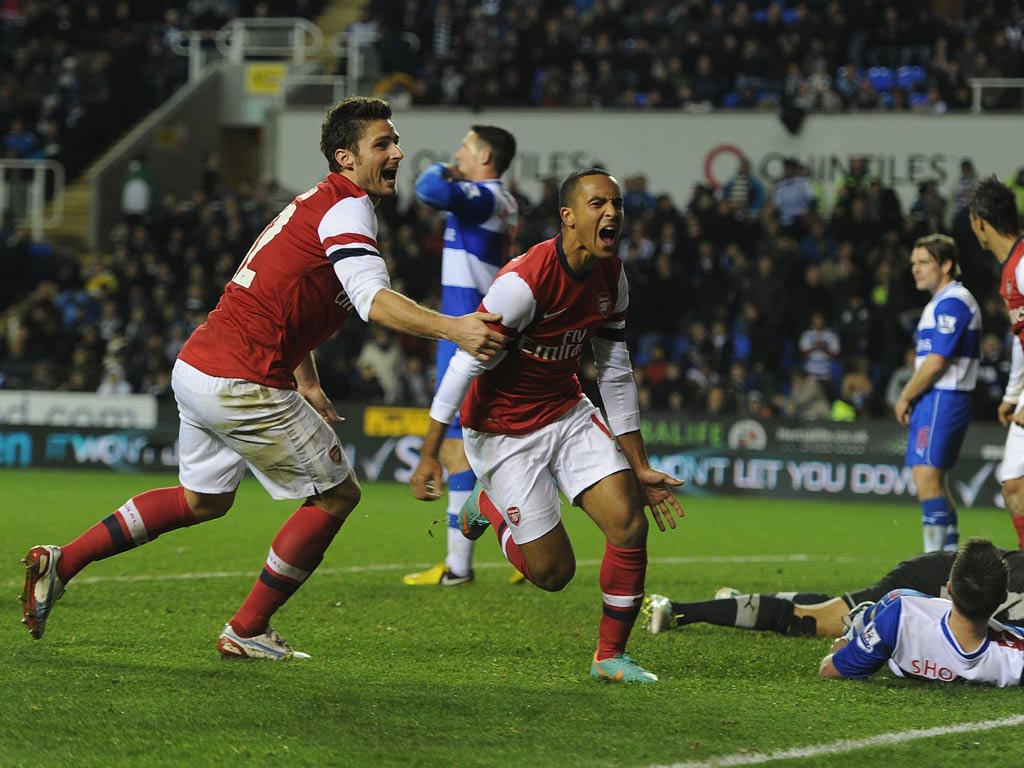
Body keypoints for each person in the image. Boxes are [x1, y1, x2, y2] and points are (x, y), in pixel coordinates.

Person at [19, 96, 506, 660]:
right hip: (241, 378)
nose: (397, 152)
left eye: (394, 141)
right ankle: (247, 628)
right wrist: (459, 329)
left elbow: (281, 294)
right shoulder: (347, 211)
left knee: (202, 501)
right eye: (383, 144)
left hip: (199, 366)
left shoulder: (314, 204)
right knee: (336, 496)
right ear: (345, 158)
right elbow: (373, 302)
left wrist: (310, 380)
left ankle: (64, 560)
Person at [410, 169, 685, 683]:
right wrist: (431, 450)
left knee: (628, 523)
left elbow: (617, 371)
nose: (612, 213)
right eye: (598, 203)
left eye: (618, 204)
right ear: (569, 217)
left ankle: (610, 657)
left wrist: (639, 464)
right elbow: (464, 364)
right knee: (554, 574)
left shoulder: (612, 275)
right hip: (503, 430)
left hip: (566, 410)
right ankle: (487, 505)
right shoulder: (523, 283)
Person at [403, 124, 520, 587]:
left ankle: (459, 568)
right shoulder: (496, 201)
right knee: (489, 448)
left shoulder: (487, 196)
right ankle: (516, 545)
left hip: (467, 335)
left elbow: (427, 187)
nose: (457, 154)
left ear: (485, 156)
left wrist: (445, 169)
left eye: (466, 148)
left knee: (457, 450)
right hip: (474, 331)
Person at [642, 548, 1024, 640]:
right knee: (817, 621)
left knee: (831, 603)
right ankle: (679, 610)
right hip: (931, 581)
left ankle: (740, 597)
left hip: (952, 585)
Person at [819, 539, 1024, 687]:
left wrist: (843, 642)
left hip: (897, 620)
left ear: (949, 588)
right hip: (997, 638)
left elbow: (830, 670)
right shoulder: (1016, 659)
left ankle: (859, 624)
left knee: (892, 600)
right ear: (1002, 599)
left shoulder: (902, 614)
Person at [894, 234, 980, 552]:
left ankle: (933, 566)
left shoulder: (953, 301)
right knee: (934, 482)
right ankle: (948, 562)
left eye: (924, 262)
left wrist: (905, 396)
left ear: (946, 264)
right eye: (913, 263)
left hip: (944, 396)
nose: (915, 269)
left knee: (926, 479)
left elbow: (936, 362)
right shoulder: (939, 302)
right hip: (937, 398)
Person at [968, 176, 1024, 549]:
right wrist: (1012, 392)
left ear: (981, 222)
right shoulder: (1010, 269)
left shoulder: (1022, 264)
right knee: (1013, 487)